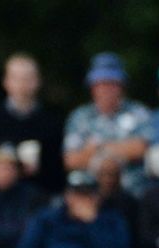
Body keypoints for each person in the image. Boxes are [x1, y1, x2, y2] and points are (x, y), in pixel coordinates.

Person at [0, 53, 65, 195]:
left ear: (37, 81)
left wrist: (39, 168)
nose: (22, 84)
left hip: (39, 198)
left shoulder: (51, 123)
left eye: (27, 78)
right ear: (6, 82)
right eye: (16, 78)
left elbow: (59, 169)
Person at [63, 52, 153, 196]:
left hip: (133, 194)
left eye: (112, 84)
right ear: (92, 87)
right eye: (101, 84)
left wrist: (97, 148)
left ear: (121, 86)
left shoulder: (138, 111)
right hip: (90, 195)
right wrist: (122, 149)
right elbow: (71, 160)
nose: (107, 90)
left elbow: (142, 149)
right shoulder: (80, 116)